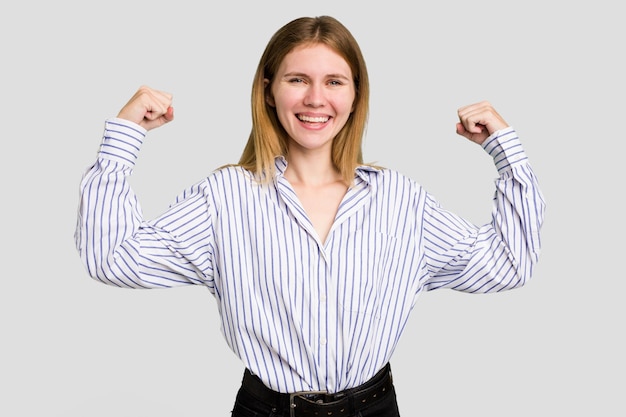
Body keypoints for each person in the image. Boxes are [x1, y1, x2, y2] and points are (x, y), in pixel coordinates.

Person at [75, 15, 545, 417]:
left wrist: (505, 151)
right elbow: (113, 258)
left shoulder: (401, 199)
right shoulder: (225, 197)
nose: (315, 99)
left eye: (334, 81)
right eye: (297, 79)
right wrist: (124, 137)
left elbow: (508, 264)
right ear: (269, 91)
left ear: (356, 95)